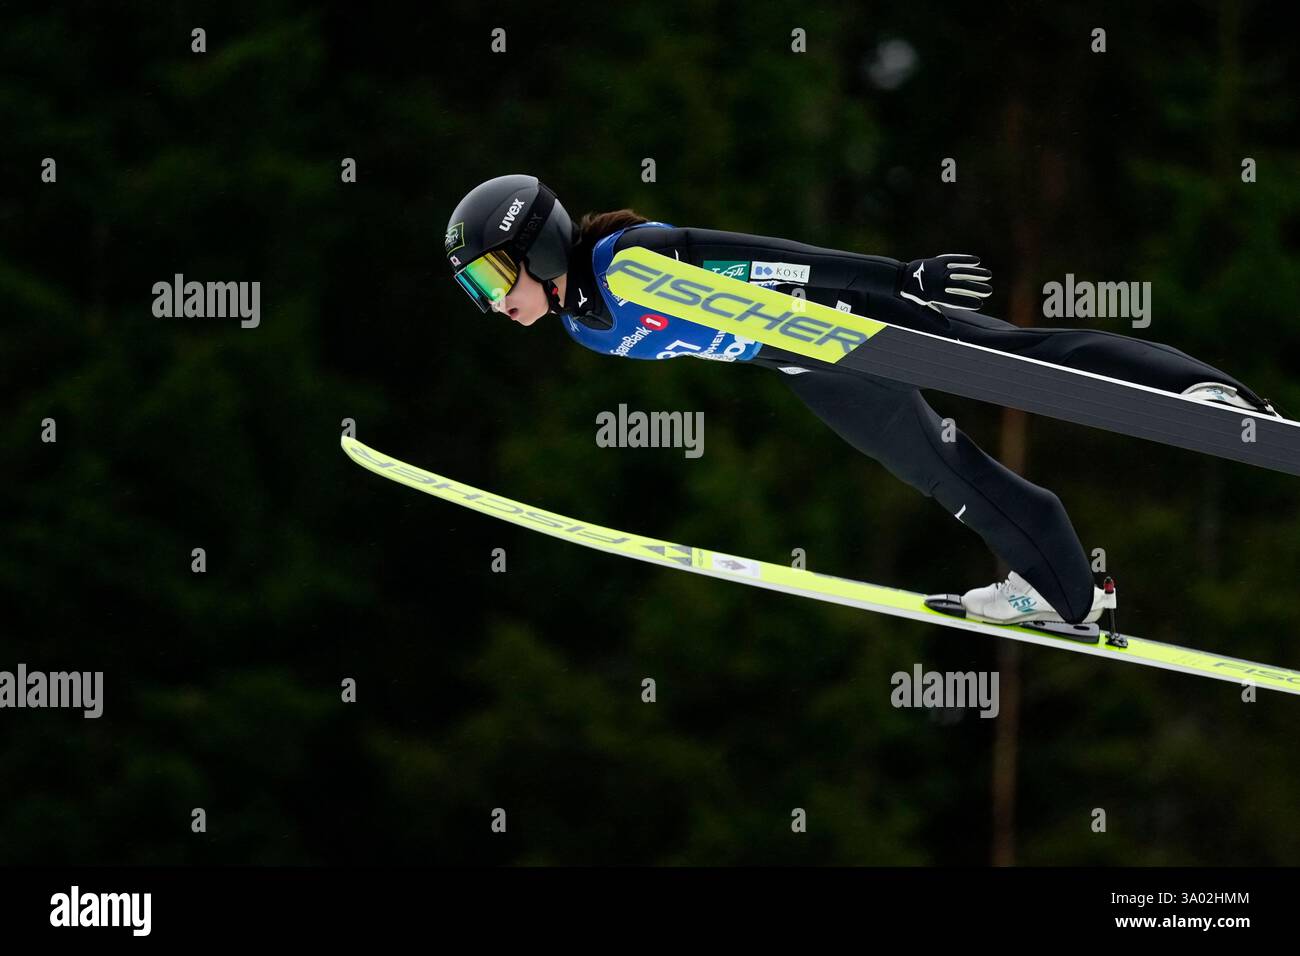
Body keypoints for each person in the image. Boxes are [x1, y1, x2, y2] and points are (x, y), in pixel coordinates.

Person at [444, 173, 1278, 626]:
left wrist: (897, 279)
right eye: (475, 291)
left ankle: (1202, 390)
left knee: (1025, 356)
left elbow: (776, 259)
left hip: (851, 319)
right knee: (941, 472)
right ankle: (1062, 587)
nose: (491, 302)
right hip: (810, 366)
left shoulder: (628, 262)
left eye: (491, 276)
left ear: (537, 242)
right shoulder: (584, 323)